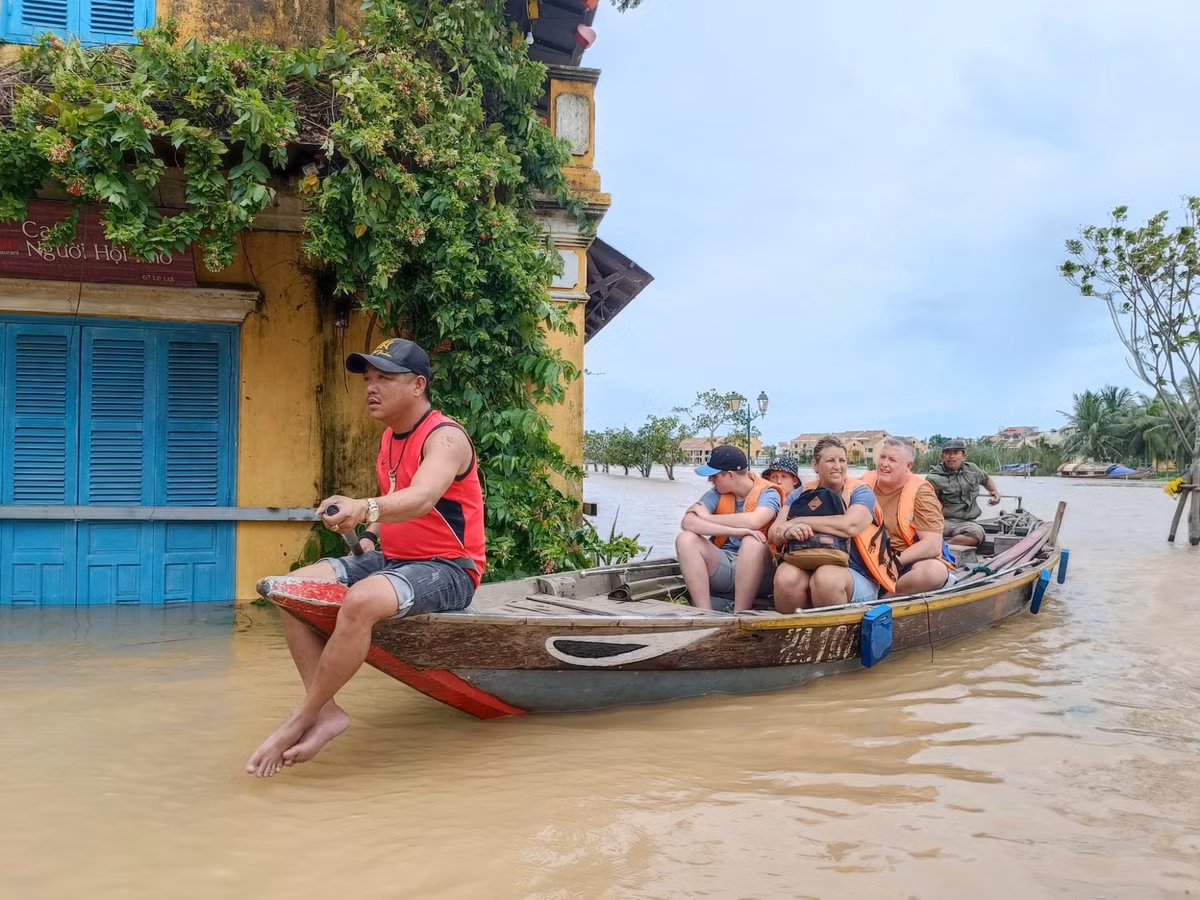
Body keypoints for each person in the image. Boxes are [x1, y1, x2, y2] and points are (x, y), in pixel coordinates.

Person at [245, 338, 485, 778]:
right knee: (289, 588)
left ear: (417, 385)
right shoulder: (389, 439)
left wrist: (363, 507)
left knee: (359, 602)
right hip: (391, 558)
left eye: (384, 379)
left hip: (449, 568)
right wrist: (370, 535)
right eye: (368, 379)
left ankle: (303, 716)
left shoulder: (445, 437)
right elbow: (393, 504)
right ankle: (329, 711)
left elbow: (422, 497)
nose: (371, 387)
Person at [769, 436, 896, 611]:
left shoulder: (860, 492)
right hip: (807, 566)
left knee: (825, 578)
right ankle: (793, 634)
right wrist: (787, 533)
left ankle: (833, 637)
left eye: (842, 460)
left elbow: (849, 526)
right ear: (815, 465)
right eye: (830, 460)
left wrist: (799, 521)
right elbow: (774, 533)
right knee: (785, 577)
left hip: (856, 574)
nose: (838, 466)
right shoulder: (801, 493)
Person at [675, 444, 781, 613]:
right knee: (686, 539)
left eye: (714, 476)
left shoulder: (768, 493)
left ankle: (739, 614)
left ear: (730, 475)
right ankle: (704, 614)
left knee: (752, 541)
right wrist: (736, 531)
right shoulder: (717, 492)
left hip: (762, 573)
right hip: (726, 564)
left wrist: (709, 518)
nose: (710, 480)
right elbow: (688, 522)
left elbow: (755, 521)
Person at [861, 437, 956, 594]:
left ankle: (888, 597)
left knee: (933, 572)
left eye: (892, 460)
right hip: (866, 556)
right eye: (883, 457)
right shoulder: (863, 482)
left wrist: (894, 562)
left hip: (904, 560)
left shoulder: (922, 493)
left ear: (908, 466)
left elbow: (932, 545)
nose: (884, 464)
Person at [926, 439, 1002, 547]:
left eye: (956, 453)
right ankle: (935, 547)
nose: (952, 457)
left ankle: (945, 546)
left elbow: (986, 479)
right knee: (922, 533)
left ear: (964, 456)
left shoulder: (972, 470)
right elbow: (923, 503)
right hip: (942, 520)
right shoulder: (933, 477)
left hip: (966, 522)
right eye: (947, 453)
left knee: (977, 535)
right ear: (942, 456)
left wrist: (994, 492)